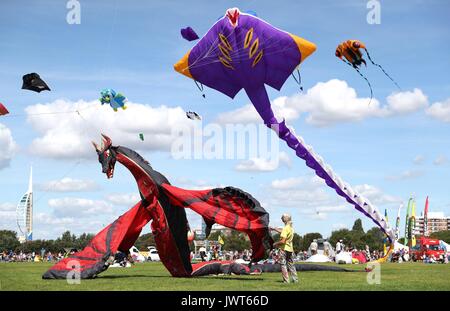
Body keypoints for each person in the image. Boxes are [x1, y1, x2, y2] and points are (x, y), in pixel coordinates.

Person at [270, 214, 298, 283]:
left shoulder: (285, 228)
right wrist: (274, 229)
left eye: (282, 217)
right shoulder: (290, 228)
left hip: (283, 249)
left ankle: (286, 281)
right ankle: (295, 280)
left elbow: (283, 241)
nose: (281, 218)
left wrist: (275, 244)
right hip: (290, 249)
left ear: (284, 219)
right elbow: (283, 231)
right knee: (291, 264)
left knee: (283, 264)